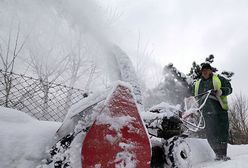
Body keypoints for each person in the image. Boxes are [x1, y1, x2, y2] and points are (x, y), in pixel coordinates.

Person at [193, 62, 232, 161]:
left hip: (220, 111)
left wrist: (221, 91)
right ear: (202, 72)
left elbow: (229, 89)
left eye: (207, 70)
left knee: (222, 133)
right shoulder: (198, 83)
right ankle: (217, 154)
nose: (205, 72)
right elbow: (195, 97)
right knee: (211, 135)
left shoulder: (218, 78)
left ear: (211, 70)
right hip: (207, 113)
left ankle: (223, 154)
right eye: (203, 70)